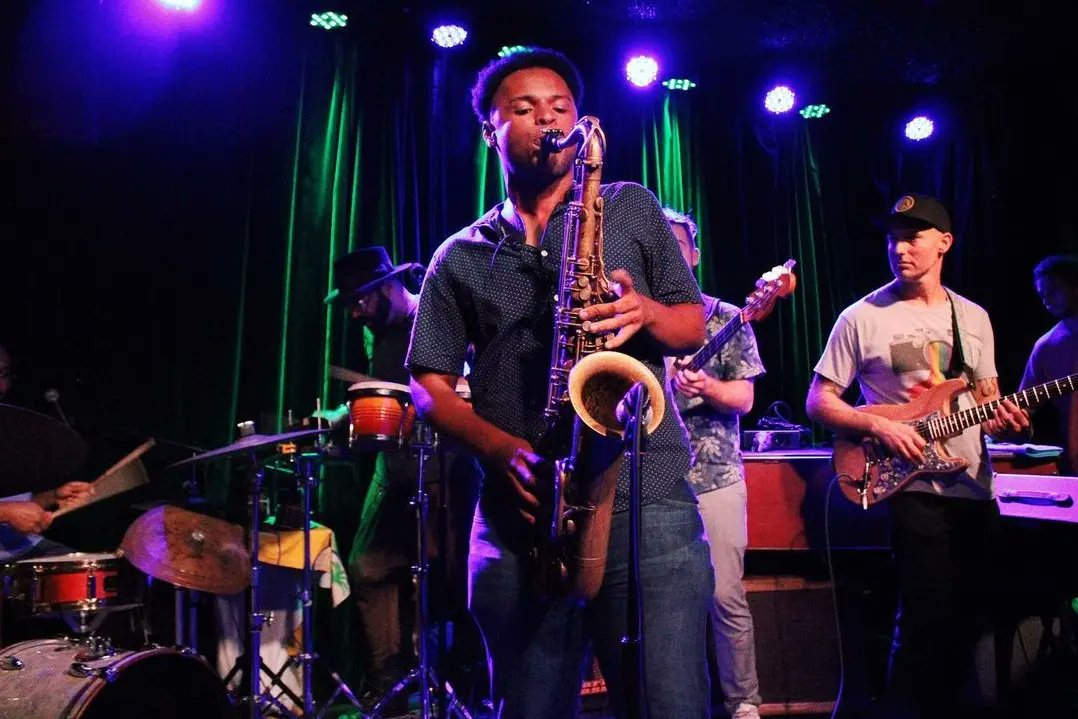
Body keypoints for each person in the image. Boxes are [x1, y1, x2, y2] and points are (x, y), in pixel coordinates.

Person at [406, 48, 713, 718]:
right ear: (489, 129)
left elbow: (692, 325)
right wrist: (496, 448)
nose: (549, 118)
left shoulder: (627, 206)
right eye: (524, 108)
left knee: (671, 705)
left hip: (645, 499)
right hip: (522, 514)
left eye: (561, 107)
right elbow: (427, 382)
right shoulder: (459, 254)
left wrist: (647, 312)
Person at [805, 193, 1030, 719]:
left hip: (973, 484)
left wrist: (1002, 415)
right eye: (892, 238)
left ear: (944, 242)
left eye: (912, 237)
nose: (899, 248)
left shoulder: (972, 317)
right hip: (910, 484)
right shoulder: (861, 316)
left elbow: (986, 396)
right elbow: (818, 401)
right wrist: (878, 422)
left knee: (970, 617)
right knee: (925, 617)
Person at [665, 209, 764, 719]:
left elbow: (744, 398)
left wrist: (706, 386)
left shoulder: (726, 317)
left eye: (677, 245)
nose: (669, 255)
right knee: (662, 605)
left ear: (695, 254)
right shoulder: (638, 322)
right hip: (654, 484)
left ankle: (743, 703)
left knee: (726, 595)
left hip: (717, 480)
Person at [325, 247, 430, 709]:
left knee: (441, 579)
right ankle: (390, 684)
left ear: (388, 287)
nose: (354, 312)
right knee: (368, 567)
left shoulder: (431, 317)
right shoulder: (378, 333)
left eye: (361, 300)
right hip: (394, 470)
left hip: (440, 469)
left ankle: (445, 682)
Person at [1019, 254, 1078, 475]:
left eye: (1052, 292)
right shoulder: (1046, 346)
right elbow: (1024, 404)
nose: (1046, 301)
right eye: (1042, 295)